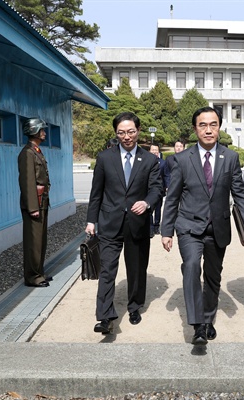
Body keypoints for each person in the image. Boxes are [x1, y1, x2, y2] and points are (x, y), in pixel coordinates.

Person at [161, 106, 244, 345]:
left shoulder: (231, 157)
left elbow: (240, 193)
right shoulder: (181, 159)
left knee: (213, 277)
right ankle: (198, 325)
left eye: (213, 125)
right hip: (189, 227)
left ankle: (209, 318)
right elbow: (172, 197)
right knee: (191, 267)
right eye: (203, 125)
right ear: (195, 129)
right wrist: (166, 231)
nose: (208, 130)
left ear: (219, 127)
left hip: (218, 227)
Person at [85, 112, 164, 334]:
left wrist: (147, 203)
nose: (126, 136)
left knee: (136, 269)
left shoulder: (149, 160)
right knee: (107, 270)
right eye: (121, 132)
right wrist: (91, 220)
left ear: (138, 131)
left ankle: (134, 306)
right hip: (109, 223)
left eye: (130, 132)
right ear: (116, 133)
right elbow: (96, 194)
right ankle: (104, 316)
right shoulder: (104, 158)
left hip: (137, 224)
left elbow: (157, 188)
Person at [18, 118, 52, 288]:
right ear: (34, 132)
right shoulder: (27, 153)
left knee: (40, 241)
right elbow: (27, 182)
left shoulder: (36, 151)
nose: (44, 133)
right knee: (33, 242)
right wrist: (33, 208)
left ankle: (39, 272)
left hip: (42, 201)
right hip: (35, 204)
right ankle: (32, 276)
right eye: (41, 130)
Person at [149, 144, 168, 237]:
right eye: (152, 150)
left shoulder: (163, 163)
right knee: (148, 209)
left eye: (156, 150)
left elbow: (166, 176)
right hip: (148, 190)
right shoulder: (146, 162)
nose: (154, 151)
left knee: (158, 209)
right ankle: (150, 228)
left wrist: (167, 186)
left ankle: (156, 226)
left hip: (159, 190)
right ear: (149, 151)